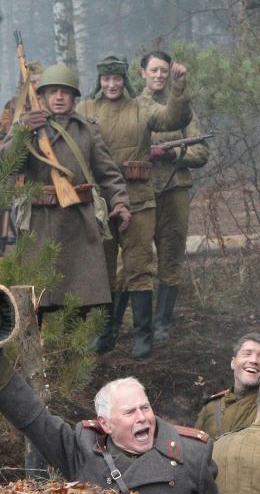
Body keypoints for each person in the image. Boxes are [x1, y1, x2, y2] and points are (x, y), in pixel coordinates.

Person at [0, 306, 223, 494]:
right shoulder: (82, 449)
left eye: (145, 407)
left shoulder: (192, 454)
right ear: (105, 424)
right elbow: (34, 418)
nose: (142, 417)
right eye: (129, 412)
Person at [79, 53, 192, 358]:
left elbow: (173, 119)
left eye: (117, 79)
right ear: (99, 80)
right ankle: (106, 333)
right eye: (106, 79)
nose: (112, 84)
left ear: (125, 79)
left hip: (139, 199)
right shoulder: (86, 109)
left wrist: (179, 90)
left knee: (138, 267)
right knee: (104, 271)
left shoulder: (141, 107)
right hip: (101, 204)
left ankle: (143, 335)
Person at [0, 64, 130, 320]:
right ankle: (34, 355)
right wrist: (24, 132)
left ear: (73, 97)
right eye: (53, 92)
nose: (59, 97)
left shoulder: (86, 129)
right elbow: (5, 166)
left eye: (65, 92)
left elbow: (108, 173)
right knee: (36, 299)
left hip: (77, 224)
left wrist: (120, 203)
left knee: (77, 300)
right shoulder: (26, 126)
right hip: (39, 223)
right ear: (43, 96)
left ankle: (72, 352)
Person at [140, 49, 210, 342]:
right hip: (140, 190)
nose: (159, 76)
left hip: (174, 190)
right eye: (153, 70)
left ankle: (161, 323)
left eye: (163, 71)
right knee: (135, 259)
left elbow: (200, 151)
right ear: (142, 73)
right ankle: (137, 324)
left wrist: (172, 154)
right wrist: (146, 154)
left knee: (171, 256)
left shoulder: (183, 108)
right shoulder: (134, 107)